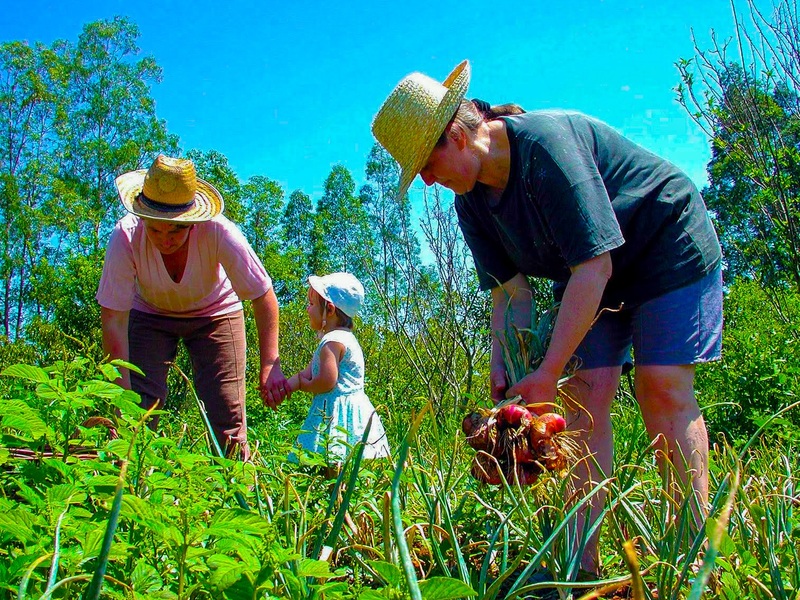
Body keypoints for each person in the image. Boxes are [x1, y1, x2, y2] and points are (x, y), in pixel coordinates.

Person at [371, 60, 723, 576]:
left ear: (456, 135)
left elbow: (593, 265)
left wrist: (549, 368)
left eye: (426, 162)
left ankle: (692, 560)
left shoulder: (545, 147)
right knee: (583, 399)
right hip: (590, 273)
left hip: (662, 246)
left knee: (661, 388)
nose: (426, 181)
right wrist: (506, 366)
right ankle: (581, 565)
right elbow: (510, 295)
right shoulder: (471, 203)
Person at [97, 154, 289, 460]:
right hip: (149, 314)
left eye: (176, 230)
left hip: (215, 312)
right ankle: (130, 489)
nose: (165, 239)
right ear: (142, 216)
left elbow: (262, 295)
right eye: (156, 229)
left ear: (193, 221)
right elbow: (114, 320)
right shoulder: (126, 236)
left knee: (226, 415)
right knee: (135, 410)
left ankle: (237, 489)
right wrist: (120, 393)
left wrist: (269, 364)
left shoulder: (219, 231)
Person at [269, 272, 391, 473]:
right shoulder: (343, 338)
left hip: (335, 412)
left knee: (333, 460)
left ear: (330, 310)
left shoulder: (332, 342)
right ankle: (341, 497)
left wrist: (305, 386)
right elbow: (306, 373)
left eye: (311, 305)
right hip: (352, 409)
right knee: (346, 463)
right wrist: (282, 389)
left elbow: (327, 381)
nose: (307, 310)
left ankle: (333, 497)